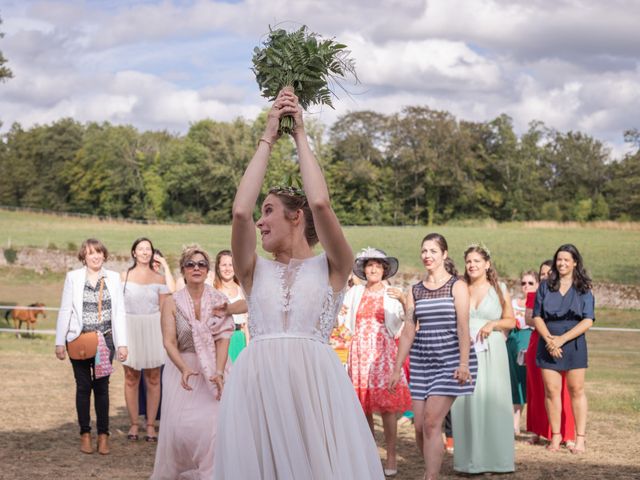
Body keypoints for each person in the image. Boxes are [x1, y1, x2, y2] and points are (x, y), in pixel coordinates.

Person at [213, 88, 384, 479]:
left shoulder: (333, 266)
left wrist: (300, 133)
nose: (260, 220)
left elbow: (321, 203)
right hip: (258, 387)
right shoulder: (253, 271)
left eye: (269, 210)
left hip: (315, 391)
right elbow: (240, 211)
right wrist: (268, 136)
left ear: (296, 218)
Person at [389, 233, 475, 480]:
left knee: (430, 421)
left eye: (433, 251)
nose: (427, 255)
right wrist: (397, 369)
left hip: (451, 360)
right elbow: (407, 331)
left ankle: (431, 475)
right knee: (419, 427)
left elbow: (463, 326)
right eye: (424, 251)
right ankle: (433, 465)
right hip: (421, 361)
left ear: (444, 254)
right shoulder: (415, 290)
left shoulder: (457, 286)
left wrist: (463, 362)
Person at [151, 246, 239, 479]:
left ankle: (212, 473)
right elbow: (169, 342)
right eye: (191, 264)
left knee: (213, 425)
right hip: (183, 368)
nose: (196, 268)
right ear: (183, 270)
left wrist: (219, 371)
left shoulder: (219, 299)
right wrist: (184, 368)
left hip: (214, 368)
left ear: (208, 270)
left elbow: (223, 337)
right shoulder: (172, 302)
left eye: (201, 264)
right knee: (180, 429)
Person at [342, 247, 412, 476]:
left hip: (382, 352)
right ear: (364, 269)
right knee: (363, 408)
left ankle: (391, 454)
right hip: (359, 352)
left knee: (387, 407)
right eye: (369, 265)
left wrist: (403, 300)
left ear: (384, 270)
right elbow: (343, 316)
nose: (373, 269)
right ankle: (369, 454)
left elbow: (407, 318)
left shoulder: (393, 292)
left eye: (378, 265)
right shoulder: (354, 293)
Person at [55, 238, 128, 455]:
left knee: (102, 388)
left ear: (104, 255)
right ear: (83, 257)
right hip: (78, 340)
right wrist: (60, 341)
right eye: (90, 253)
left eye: (98, 252)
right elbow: (65, 310)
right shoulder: (73, 277)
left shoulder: (114, 278)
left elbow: (119, 312)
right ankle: (85, 433)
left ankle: (103, 435)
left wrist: (122, 343)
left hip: (105, 340)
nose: (95, 256)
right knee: (83, 387)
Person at [451, 243, 516, 474]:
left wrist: (493, 324)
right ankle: (469, 460)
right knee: (466, 402)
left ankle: (496, 460)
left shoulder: (500, 288)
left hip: (492, 351)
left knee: (492, 401)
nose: (472, 265)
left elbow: (511, 321)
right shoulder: (459, 288)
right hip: (465, 350)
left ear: (487, 264)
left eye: (477, 261)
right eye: (469, 261)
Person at [533, 244, 595, 454]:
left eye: (567, 259)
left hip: (574, 342)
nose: (562, 263)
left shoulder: (584, 288)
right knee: (551, 391)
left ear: (575, 262)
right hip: (548, 341)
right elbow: (537, 316)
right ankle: (556, 436)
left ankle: (580, 438)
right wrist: (550, 340)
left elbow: (588, 320)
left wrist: (562, 339)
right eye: (559, 259)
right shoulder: (545, 285)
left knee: (576, 390)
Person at [121, 238, 170, 443]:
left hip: (152, 329)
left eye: (148, 249)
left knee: (153, 378)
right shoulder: (124, 277)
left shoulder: (159, 279)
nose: (144, 252)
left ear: (152, 253)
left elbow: (164, 309)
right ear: (134, 253)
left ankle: (150, 425)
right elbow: (118, 307)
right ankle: (134, 423)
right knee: (131, 377)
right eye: (140, 249)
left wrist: (166, 335)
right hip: (130, 327)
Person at [525, 260, 576, 446]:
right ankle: (539, 431)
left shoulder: (564, 294)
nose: (545, 277)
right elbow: (529, 319)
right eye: (542, 274)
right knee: (538, 392)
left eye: (549, 273)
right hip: (538, 344)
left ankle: (567, 434)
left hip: (562, 344)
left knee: (563, 391)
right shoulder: (535, 294)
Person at [507, 270, 538, 435]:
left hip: (530, 340)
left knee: (531, 382)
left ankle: (535, 424)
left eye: (530, 283)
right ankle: (515, 422)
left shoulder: (539, 304)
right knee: (515, 381)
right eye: (524, 283)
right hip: (513, 342)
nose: (526, 286)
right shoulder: (513, 303)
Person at [213, 249, 249, 362]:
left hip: (239, 338)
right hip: (219, 339)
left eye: (231, 265)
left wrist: (248, 346)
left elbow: (247, 322)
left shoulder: (242, 289)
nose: (227, 268)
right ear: (218, 267)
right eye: (224, 265)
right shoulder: (212, 290)